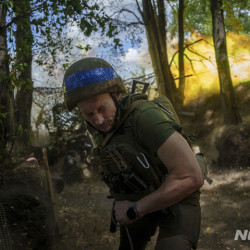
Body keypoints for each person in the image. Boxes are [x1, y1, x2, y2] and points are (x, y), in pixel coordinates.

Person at [62, 57, 204, 250]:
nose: (99, 120)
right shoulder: (99, 129)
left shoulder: (145, 117)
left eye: (102, 109)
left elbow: (190, 177)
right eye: (89, 114)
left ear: (117, 94)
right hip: (139, 197)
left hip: (177, 194)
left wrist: (134, 210)